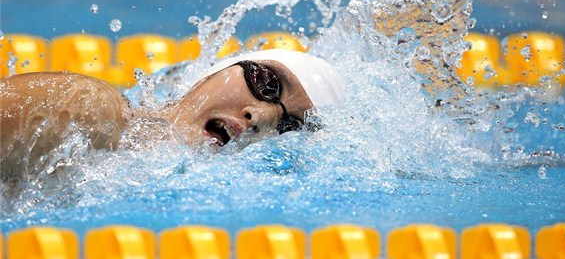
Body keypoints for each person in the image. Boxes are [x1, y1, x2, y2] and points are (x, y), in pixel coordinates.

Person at [0, 49, 345, 181]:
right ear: (214, 72)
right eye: (267, 84)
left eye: (288, 127)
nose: (261, 117)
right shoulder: (90, 108)